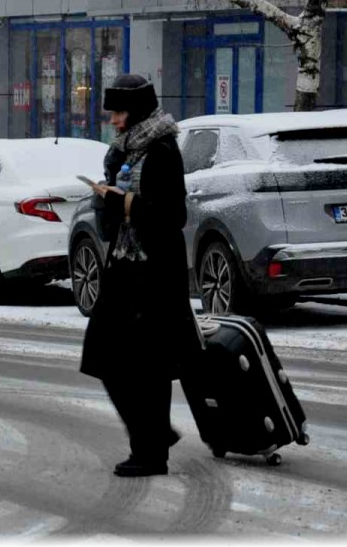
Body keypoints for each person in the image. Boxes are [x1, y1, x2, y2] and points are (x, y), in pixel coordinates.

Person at [79, 74, 201, 477]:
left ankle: (150, 453)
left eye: (119, 112)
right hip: (123, 266)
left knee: (149, 367)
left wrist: (127, 204)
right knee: (101, 354)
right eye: (112, 113)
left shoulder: (164, 150)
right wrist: (108, 200)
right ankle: (153, 433)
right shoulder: (121, 152)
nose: (113, 120)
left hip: (155, 273)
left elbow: (173, 216)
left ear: (138, 111)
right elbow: (115, 217)